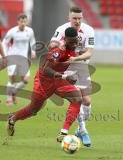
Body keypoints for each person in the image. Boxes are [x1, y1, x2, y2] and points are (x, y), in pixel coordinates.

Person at [7, 27, 83, 143]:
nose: (74, 44)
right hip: (43, 82)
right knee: (33, 110)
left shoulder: (72, 46)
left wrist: (70, 75)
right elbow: (46, 69)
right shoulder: (58, 51)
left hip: (58, 80)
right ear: (65, 39)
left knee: (77, 98)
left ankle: (63, 132)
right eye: (71, 41)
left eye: (75, 40)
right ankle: (13, 118)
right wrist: (65, 76)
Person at [49, 6, 94, 147]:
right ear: (69, 18)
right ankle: (83, 130)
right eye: (74, 18)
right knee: (77, 99)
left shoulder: (89, 31)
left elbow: (89, 52)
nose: (77, 21)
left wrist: (76, 58)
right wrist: (59, 44)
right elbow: (52, 44)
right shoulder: (62, 29)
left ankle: (81, 129)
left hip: (81, 65)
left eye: (79, 18)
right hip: (67, 67)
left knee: (87, 101)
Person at [2, 13, 36, 106]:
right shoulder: (12, 31)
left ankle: (14, 91)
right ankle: (8, 100)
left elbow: (32, 40)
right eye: (21, 21)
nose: (23, 23)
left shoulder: (30, 31)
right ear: (18, 22)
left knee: (26, 80)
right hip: (12, 57)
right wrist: (5, 55)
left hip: (24, 58)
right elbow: (4, 43)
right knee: (12, 79)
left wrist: (33, 51)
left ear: (26, 21)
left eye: (25, 21)